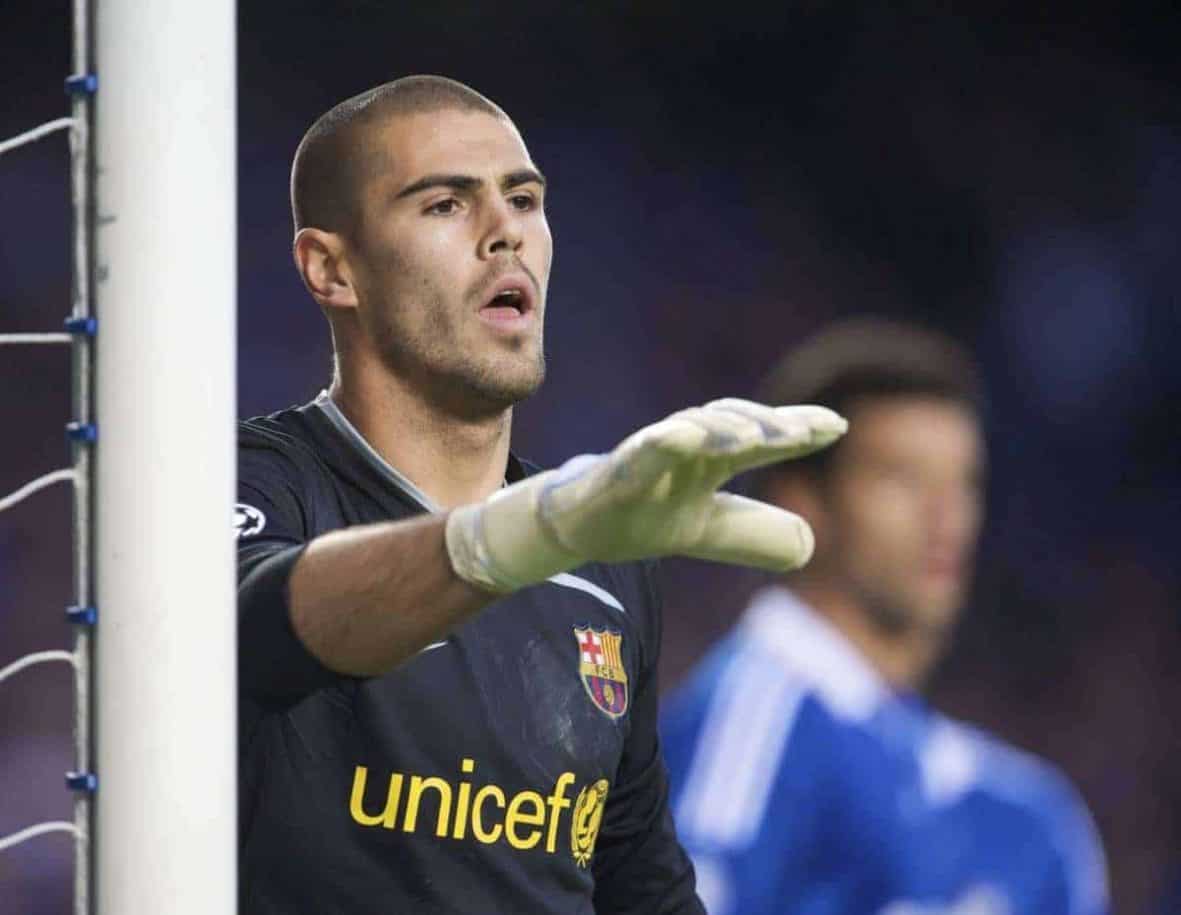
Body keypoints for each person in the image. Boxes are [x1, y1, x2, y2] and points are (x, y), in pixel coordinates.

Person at [234, 75, 847, 914]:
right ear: (331, 268)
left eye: (523, 199)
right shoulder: (254, 479)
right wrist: (518, 538)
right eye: (445, 205)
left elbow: (639, 883)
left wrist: (554, 531)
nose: (505, 233)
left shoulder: (601, 552)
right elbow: (258, 624)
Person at [661, 319, 1110, 915]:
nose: (946, 518)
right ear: (803, 502)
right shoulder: (748, 731)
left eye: (963, 483)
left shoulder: (1028, 820)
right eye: (901, 478)